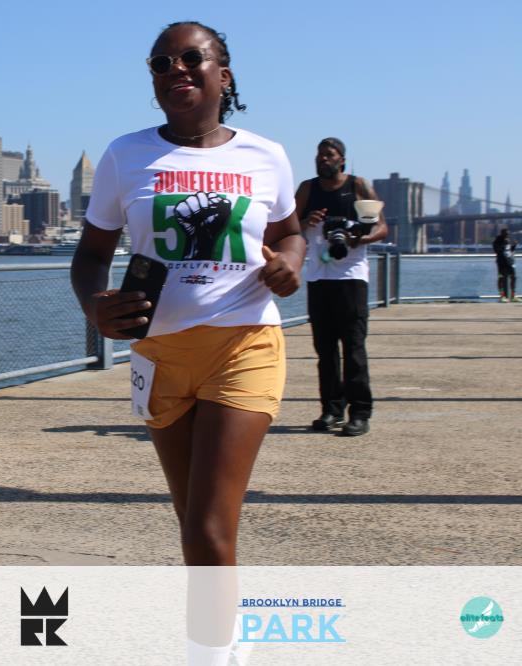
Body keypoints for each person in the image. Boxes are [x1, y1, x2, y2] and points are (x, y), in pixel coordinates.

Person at [72, 22, 303, 567]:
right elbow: (91, 256)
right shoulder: (125, 155)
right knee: (193, 523)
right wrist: (94, 306)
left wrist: (290, 263)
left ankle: (211, 625)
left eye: (191, 58)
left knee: (208, 528)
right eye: (161, 63)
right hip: (159, 354)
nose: (176, 68)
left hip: (243, 344)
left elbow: (290, 234)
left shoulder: (266, 155)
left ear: (224, 75)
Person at [296, 138, 389, 437]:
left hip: (351, 278)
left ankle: (360, 413)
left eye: (329, 155)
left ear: (342, 160)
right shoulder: (307, 189)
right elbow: (289, 227)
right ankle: (331, 410)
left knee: (353, 348)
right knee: (325, 351)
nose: (323, 159)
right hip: (318, 278)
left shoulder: (358, 186)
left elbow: (382, 227)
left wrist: (360, 239)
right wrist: (305, 221)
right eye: (319, 155)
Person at [492, 228, 518, 302]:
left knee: (513, 277)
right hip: (501, 262)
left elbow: (509, 251)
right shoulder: (497, 241)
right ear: (502, 233)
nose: (507, 235)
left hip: (510, 261)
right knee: (501, 278)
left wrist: (514, 246)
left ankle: (513, 296)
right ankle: (502, 296)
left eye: (508, 234)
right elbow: (497, 251)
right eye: (506, 233)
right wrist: (502, 245)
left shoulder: (508, 240)